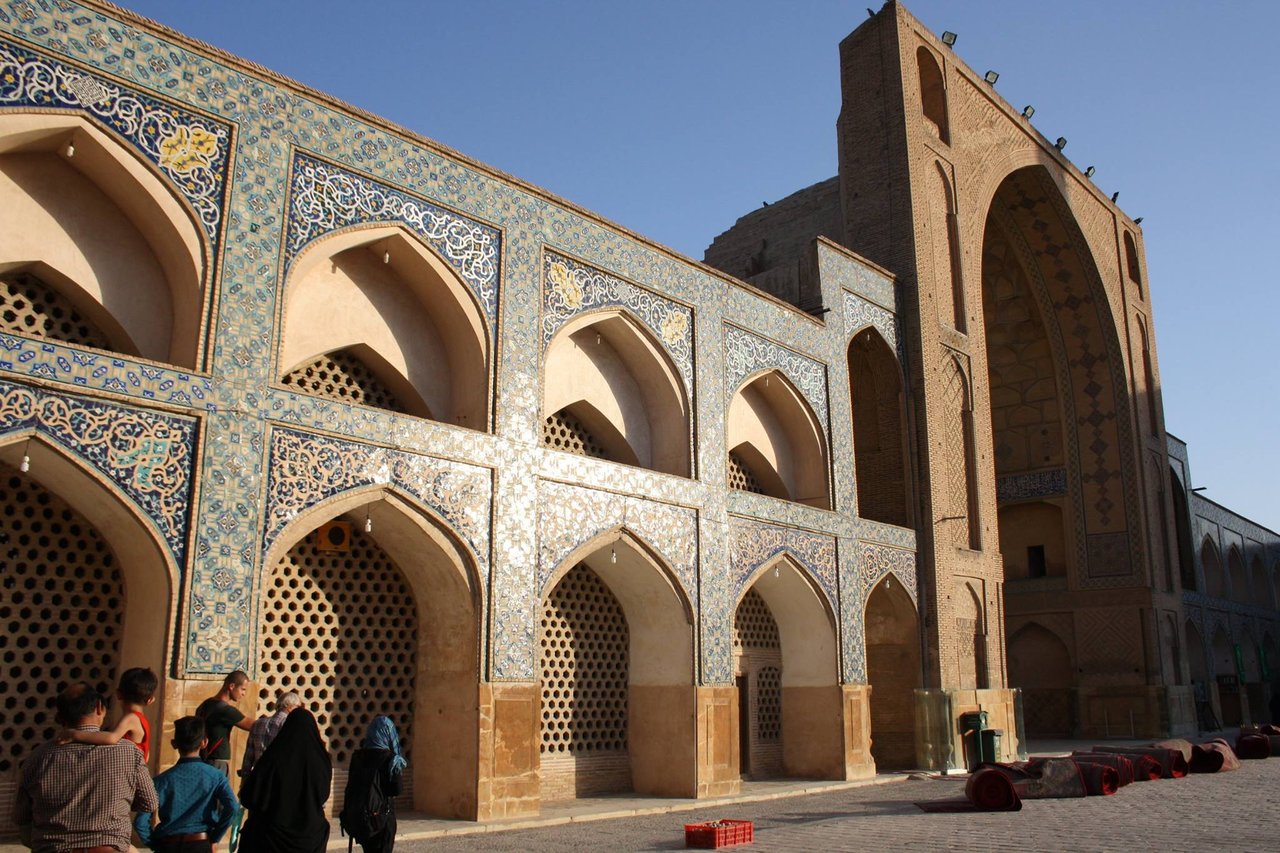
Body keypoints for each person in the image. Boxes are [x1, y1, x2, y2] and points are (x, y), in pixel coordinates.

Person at [15, 682, 158, 853]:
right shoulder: (128, 752)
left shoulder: (37, 757)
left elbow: (21, 816)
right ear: (99, 708)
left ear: (60, 716)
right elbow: (149, 802)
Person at [134, 716, 239, 853]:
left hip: (168, 845)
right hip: (201, 844)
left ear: (174, 743)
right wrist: (215, 838)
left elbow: (140, 822)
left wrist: (155, 844)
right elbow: (233, 807)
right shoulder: (216, 776)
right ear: (204, 743)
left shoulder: (160, 781)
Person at [238, 709, 332, 853]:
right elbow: (322, 796)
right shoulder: (320, 761)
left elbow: (250, 795)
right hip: (309, 837)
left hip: (270, 836)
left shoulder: (273, 758)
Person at [58, 666, 158, 760]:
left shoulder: (131, 718)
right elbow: (146, 754)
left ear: (118, 694)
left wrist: (75, 734)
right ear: (150, 700)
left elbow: (111, 738)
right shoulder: (141, 720)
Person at [340, 716, 407, 853]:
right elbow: (397, 789)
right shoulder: (390, 759)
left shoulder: (358, 756)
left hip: (362, 820)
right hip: (382, 820)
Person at [195, 671, 254, 780]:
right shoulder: (225, 710)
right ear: (231, 686)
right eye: (243, 689)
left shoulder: (206, 703)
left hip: (202, 758)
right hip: (216, 761)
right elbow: (254, 726)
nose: (243, 694)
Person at [240, 690, 302, 780]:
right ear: (290, 707)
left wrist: (244, 778)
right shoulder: (289, 725)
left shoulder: (258, 723)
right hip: (278, 777)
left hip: (258, 776)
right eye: (298, 707)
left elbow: (249, 756)